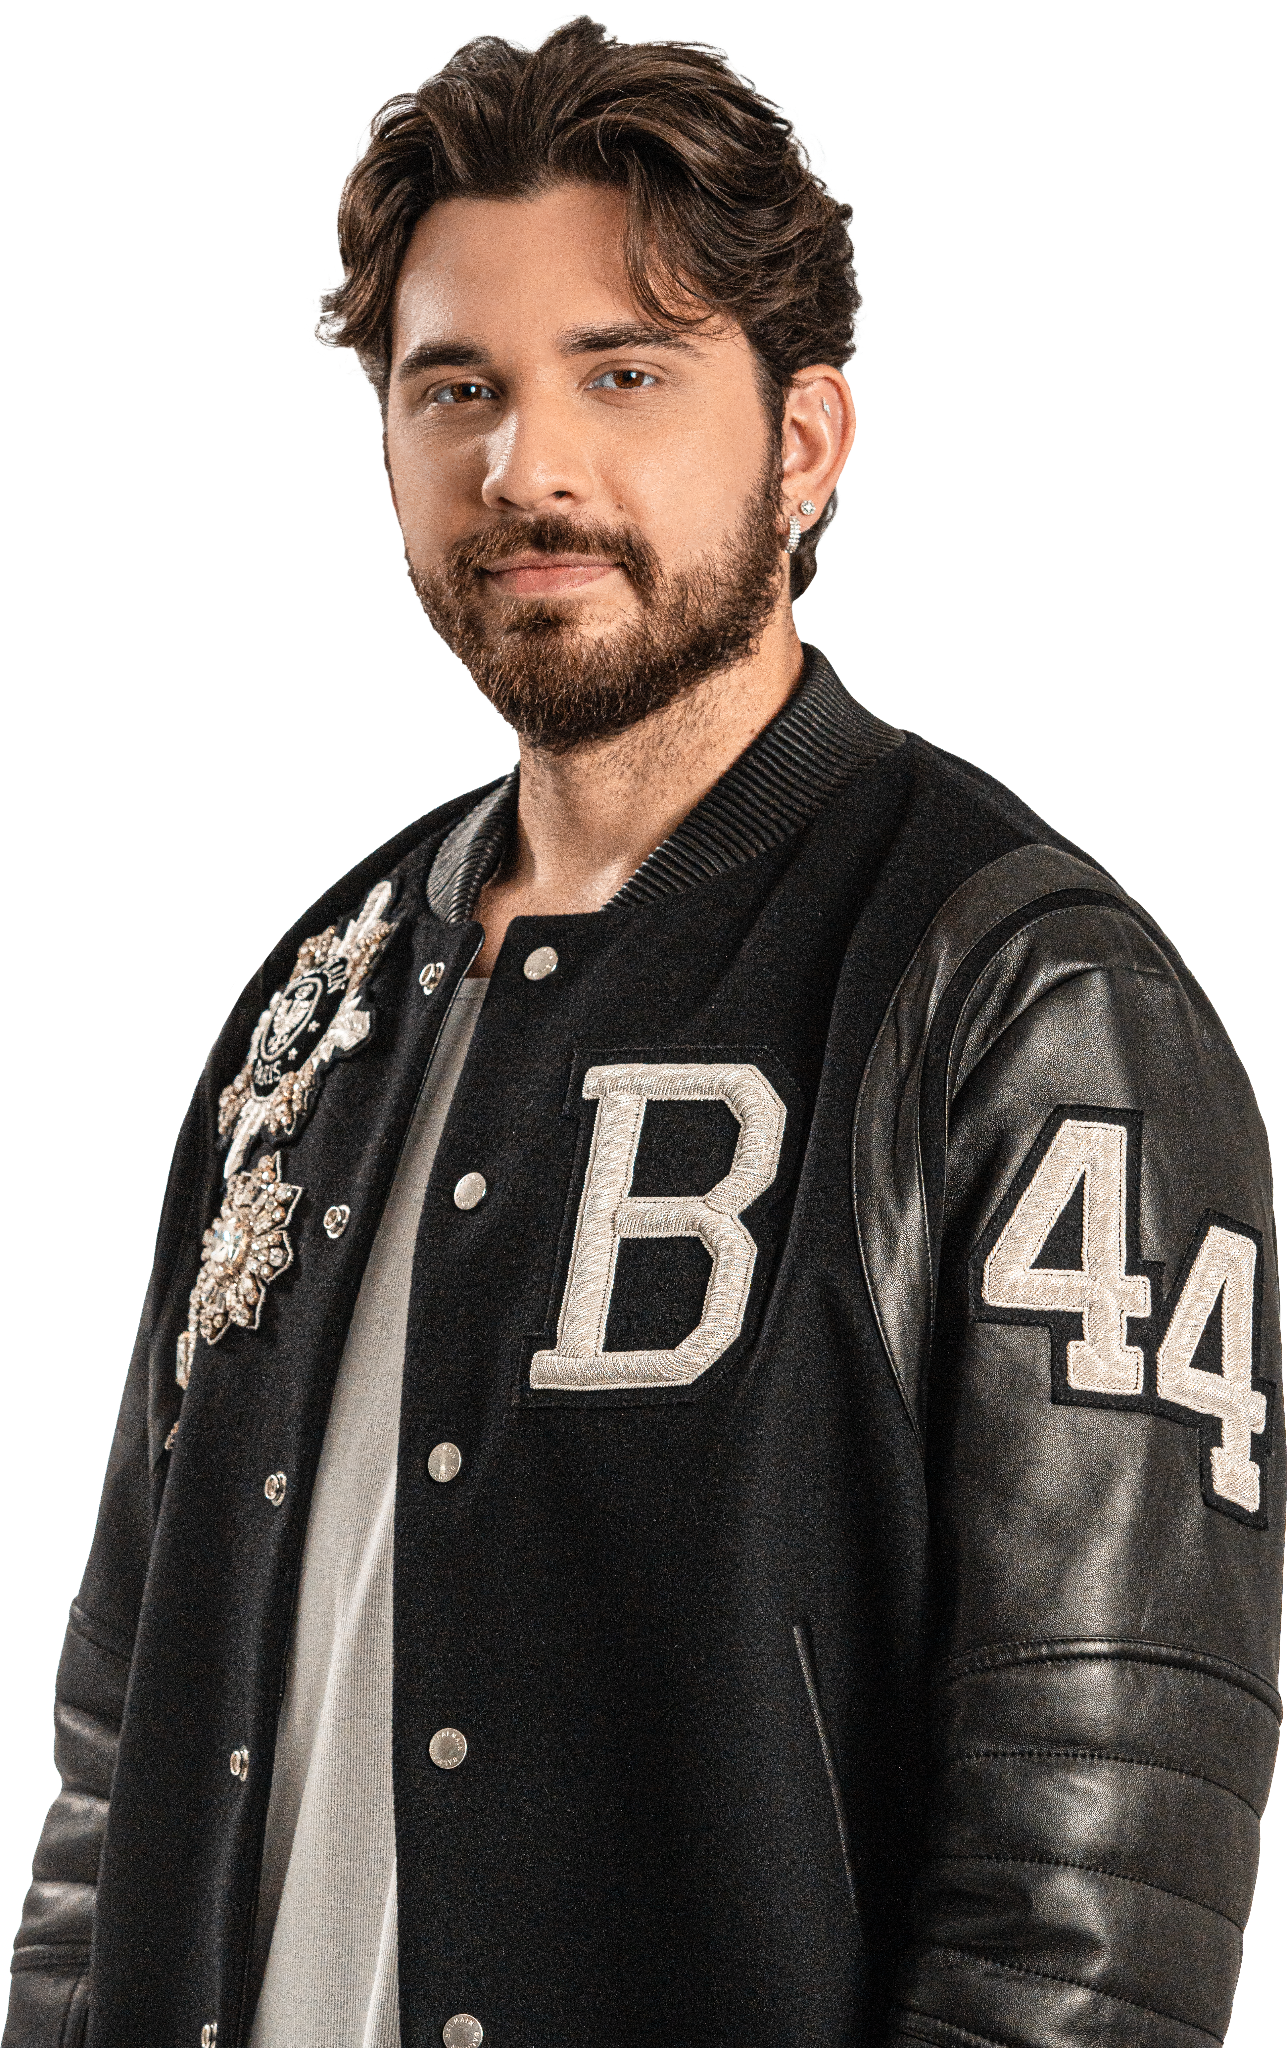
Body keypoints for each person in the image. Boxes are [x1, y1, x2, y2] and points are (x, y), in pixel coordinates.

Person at [6, 16, 1281, 2048]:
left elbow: (1095, 1877)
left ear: (803, 440)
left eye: (622, 372)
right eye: (456, 388)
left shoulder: (1019, 993)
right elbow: (111, 1751)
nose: (528, 468)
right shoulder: (317, 999)